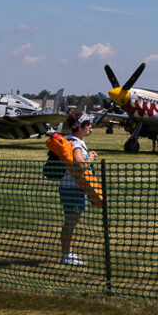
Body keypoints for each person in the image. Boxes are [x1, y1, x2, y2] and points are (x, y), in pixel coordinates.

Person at [59, 111, 98, 266]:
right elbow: (80, 164)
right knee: (71, 222)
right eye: (88, 124)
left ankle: (67, 253)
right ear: (81, 127)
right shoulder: (76, 143)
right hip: (74, 188)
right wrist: (91, 158)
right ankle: (66, 255)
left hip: (69, 187)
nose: (90, 127)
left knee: (71, 221)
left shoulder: (70, 140)